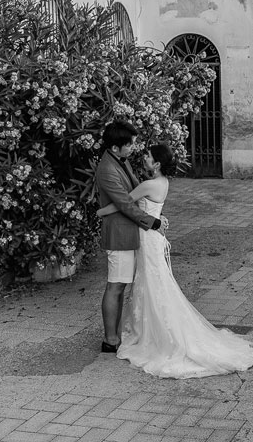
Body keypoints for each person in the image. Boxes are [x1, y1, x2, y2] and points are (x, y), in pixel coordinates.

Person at [97, 143, 253, 378]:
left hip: (148, 240)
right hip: (151, 237)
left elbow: (124, 204)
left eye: (148, 156)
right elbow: (153, 210)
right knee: (153, 284)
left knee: (152, 284)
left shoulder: (148, 184)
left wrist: (99, 212)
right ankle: (153, 330)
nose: (144, 158)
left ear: (157, 164)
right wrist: (158, 218)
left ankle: (158, 335)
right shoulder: (164, 183)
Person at [96, 121, 168, 354]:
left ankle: (115, 335)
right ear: (115, 148)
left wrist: (155, 211)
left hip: (131, 232)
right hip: (119, 234)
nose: (133, 149)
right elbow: (125, 203)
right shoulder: (107, 169)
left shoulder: (121, 160)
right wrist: (152, 221)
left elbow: (137, 193)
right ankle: (110, 340)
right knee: (115, 286)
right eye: (130, 145)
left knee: (122, 285)